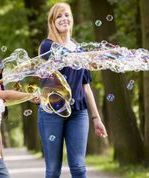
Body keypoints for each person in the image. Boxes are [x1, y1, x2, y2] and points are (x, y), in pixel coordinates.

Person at [37, 2, 108, 178]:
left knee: (78, 167)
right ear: (52, 22)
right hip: (52, 112)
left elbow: (86, 87)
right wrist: (91, 56)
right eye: (58, 16)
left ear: (72, 19)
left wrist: (96, 118)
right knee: (53, 170)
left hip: (78, 113)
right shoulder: (47, 46)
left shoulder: (80, 49)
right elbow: (66, 59)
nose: (63, 19)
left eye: (66, 15)